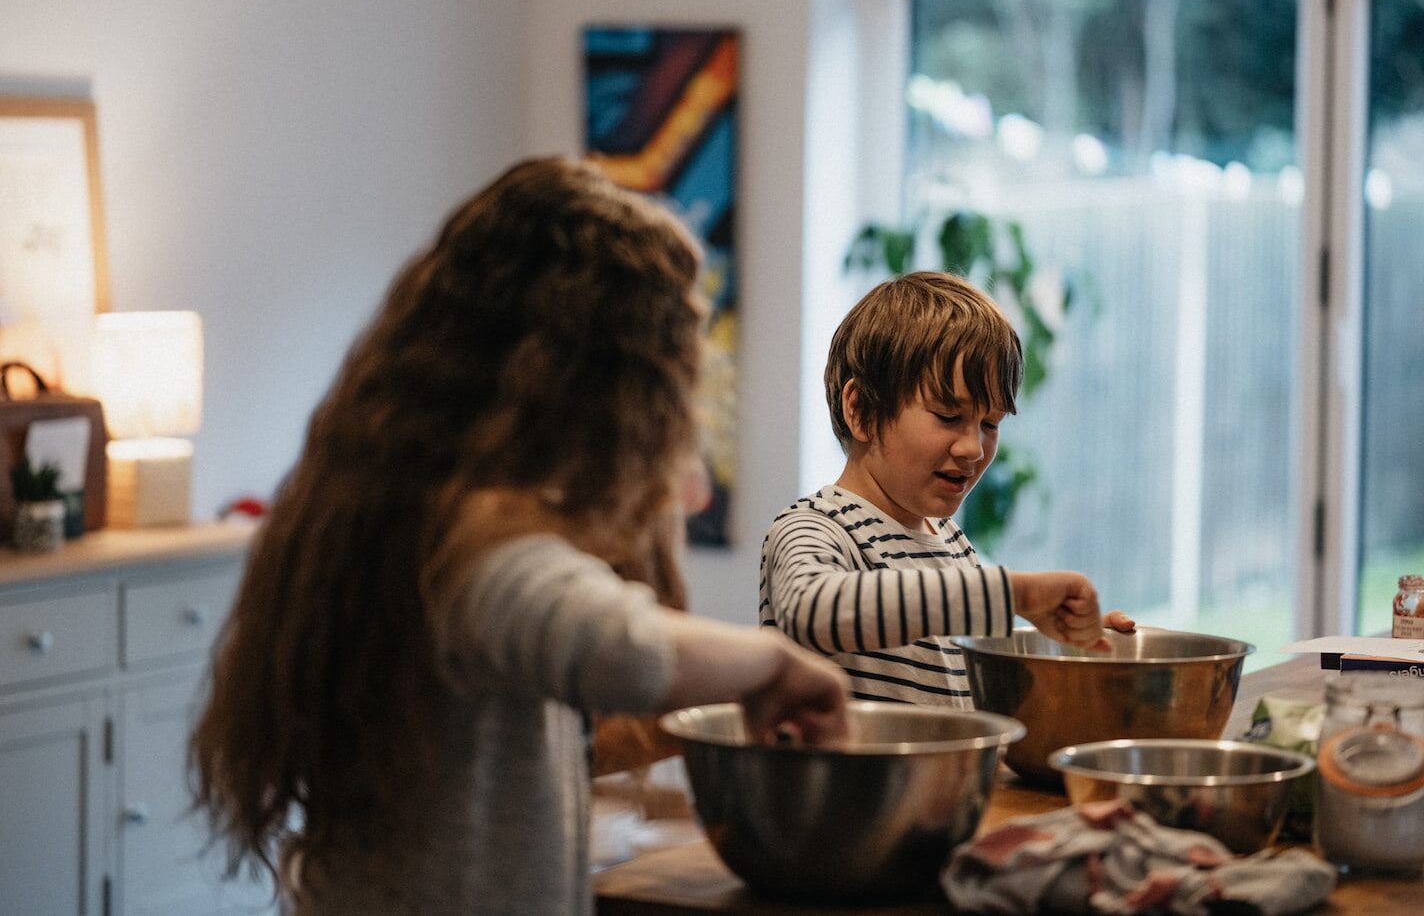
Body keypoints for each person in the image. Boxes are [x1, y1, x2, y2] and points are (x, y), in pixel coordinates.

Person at [190, 157, 850, 916]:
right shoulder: (473, 544)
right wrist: (774, 662)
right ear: (594, 385)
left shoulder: (393, 500)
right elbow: (618, 646)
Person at [760, 270, 1133, 707]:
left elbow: (959, 655)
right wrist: (1015, 593)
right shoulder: (815, 528)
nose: (974, 447)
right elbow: (811, 610)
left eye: (990, 424)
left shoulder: (952, 542)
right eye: (948, 416)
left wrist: (1064, 642)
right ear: (860, 410)